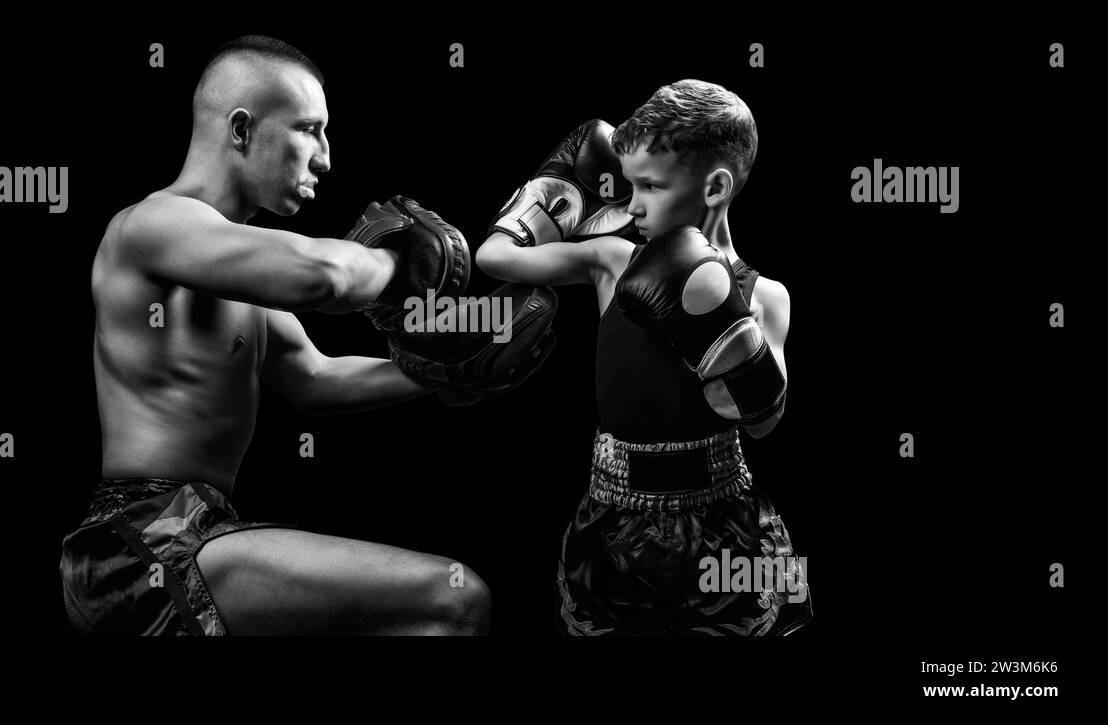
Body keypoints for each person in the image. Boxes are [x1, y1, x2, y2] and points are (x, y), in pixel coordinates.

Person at [60, 36, 554, 635]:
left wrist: (456, 364)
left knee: (427, 613)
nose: (324, 158)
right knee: (453, 599)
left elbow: (315, 379)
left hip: (204, 531)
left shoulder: (234, 269)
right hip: (138, 541)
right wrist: (403, 265)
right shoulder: (152, 225)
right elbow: (322, 277)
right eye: (308, 129)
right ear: (241, 130)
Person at [476, 79, 812, 635]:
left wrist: (727, 327)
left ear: (715, 187)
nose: (631, 204)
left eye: (650, 187)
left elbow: (765, 423)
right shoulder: (614, 259)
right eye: (629, 184)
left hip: (725, 526)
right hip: (612, 515)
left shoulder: (764, 296)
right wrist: (552, 193)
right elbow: (495, 258)